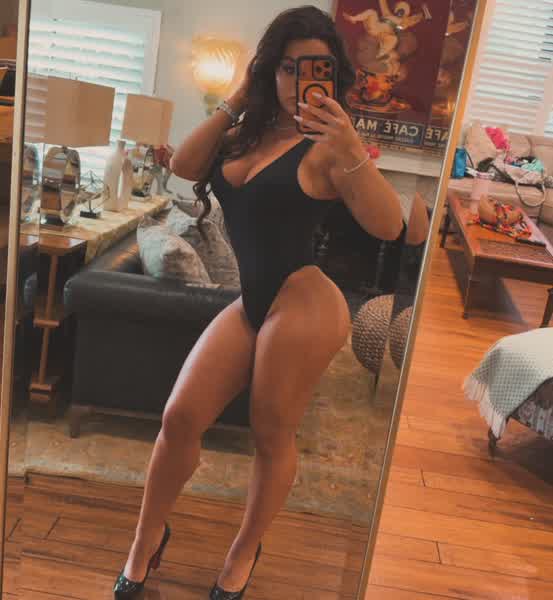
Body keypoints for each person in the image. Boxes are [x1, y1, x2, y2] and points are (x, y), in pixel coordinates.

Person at [113, 6, 403, 599]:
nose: (299, 79)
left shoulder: (329, 146)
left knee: (271, 432)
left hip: (305, 304)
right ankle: (145, 539)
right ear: (269, 68)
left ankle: (244, 550)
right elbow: (185, 166)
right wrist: (240, 94)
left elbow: (389, 225)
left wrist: (349, 140)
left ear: (333, 73)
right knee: (179, 417)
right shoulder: (247, 131)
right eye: (288, 66)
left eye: (314, 67)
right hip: (252, 302)